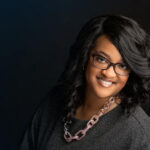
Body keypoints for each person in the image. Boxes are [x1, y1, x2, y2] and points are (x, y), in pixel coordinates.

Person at [19, 15, 150, 150]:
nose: (109, 73)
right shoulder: (55, 100)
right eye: (101, 59)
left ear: (131, 72)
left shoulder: (139, 133)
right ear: (85, 57)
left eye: (122, 66)